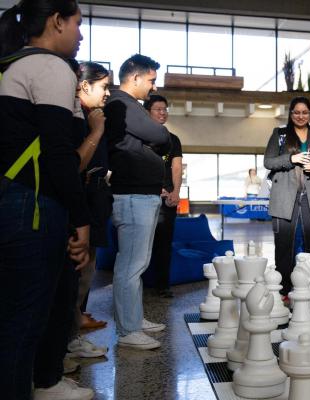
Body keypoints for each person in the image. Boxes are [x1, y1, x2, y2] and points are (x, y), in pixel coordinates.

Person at [0, 1, 93, 399]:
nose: (81, 34)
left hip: (10, 200)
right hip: (33, 206)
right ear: (56, 21)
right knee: (24, 323)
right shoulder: (51, 67)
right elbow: (58, 156)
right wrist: (81, 220)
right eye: (77, 23)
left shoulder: (8, 65)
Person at [104, 54, 170, 350]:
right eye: (152, 81)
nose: (154, 88)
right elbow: (158, 134)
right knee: (130, 266)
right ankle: (128, 330)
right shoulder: (122, 103)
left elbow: (154, 137)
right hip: (132, 196)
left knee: (137, 265)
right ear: (135, 78)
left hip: (141, 194)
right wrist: (155, 137)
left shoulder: (129, 106)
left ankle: (134, 318)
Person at [64, 61, 112, 366]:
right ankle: (64, 344)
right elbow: (74, 165)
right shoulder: (76, 118)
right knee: (74, 275)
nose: (107, 93)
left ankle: (72, 335)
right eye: (103, 86)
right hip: (78, 203)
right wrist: (97, 130)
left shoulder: (90, 115)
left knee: (86, 273)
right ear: (84, 85)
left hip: (94, 200)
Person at [264, 96, 310, 297]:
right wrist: (291, 159)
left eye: (305, 112)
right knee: (284, 244)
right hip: (284, 197)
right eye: (296, 112)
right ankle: (284, 287)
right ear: (291, 113)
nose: (300, 116)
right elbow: (268, 162)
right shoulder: (280, 134)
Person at [146, 94, 183, 299]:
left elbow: (176, 166)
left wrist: (175, 192)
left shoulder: (173, 139)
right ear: (147, 112)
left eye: (165, 109)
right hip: (144, 196)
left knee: (164, 244)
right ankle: (139, 284)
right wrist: (153, 187)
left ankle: (162, 285)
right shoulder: (140, 137)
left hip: (167, 200)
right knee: (142, 244)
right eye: (158, 109)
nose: (163, 113)